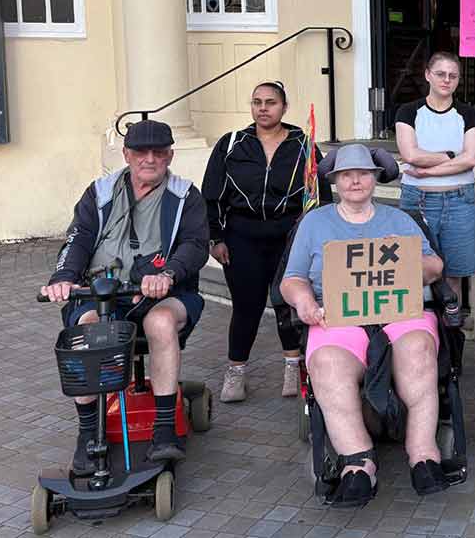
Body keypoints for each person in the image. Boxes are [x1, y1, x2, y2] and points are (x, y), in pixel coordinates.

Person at [280, 144, 449, 501]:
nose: (355, 180)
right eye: (346, 174)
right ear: (335, 181)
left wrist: (406, 260)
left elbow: (436, 268)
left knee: (418, 349)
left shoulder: (400, 219)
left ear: (375, 178)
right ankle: (358, 461)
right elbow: (291, 279)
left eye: (363, 173)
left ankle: (423, 453)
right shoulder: (315, 222)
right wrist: (305, 301)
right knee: (327, 364)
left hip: (399, 311)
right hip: (339, 316)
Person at [43, 120, 209, 471]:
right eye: (140, 152)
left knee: (161, 323)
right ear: (126, 155)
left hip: (162, 291)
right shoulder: (100, 192)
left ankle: (165, 429)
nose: (149, 159)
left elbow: (196, 245)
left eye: (158, 152)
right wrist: (63, 277)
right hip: (102, 291)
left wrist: (168, 273)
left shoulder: (184, 195)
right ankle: (88, 431)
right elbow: (79, 237)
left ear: (170, 155)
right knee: (85, 332)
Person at [202, 82, 329, 404]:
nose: (263, 108)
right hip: (241, 236)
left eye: (271, 102)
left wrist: (317, 242)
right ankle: (236, 371)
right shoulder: (232, 144)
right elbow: (212, 194)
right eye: (257, 102)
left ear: (284, 107)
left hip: (291, 237)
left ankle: (293, 367)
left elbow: (321, 198)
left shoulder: (304, 144)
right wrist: (215, 237)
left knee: (287, 303)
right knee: (247, 306)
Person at [395, 52, 475, 303]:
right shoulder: (408, 111)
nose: (447, 80)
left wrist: (428, 170)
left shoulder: (468, 114)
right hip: (417, 200)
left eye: (453, 76)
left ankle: (450, 334)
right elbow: (410, 154)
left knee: (454, 273)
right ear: (427, 75)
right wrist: (450, 154)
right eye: (440, 74)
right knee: (413, 270)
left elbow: (471, 159)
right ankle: (421, 331)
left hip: (459, 201)